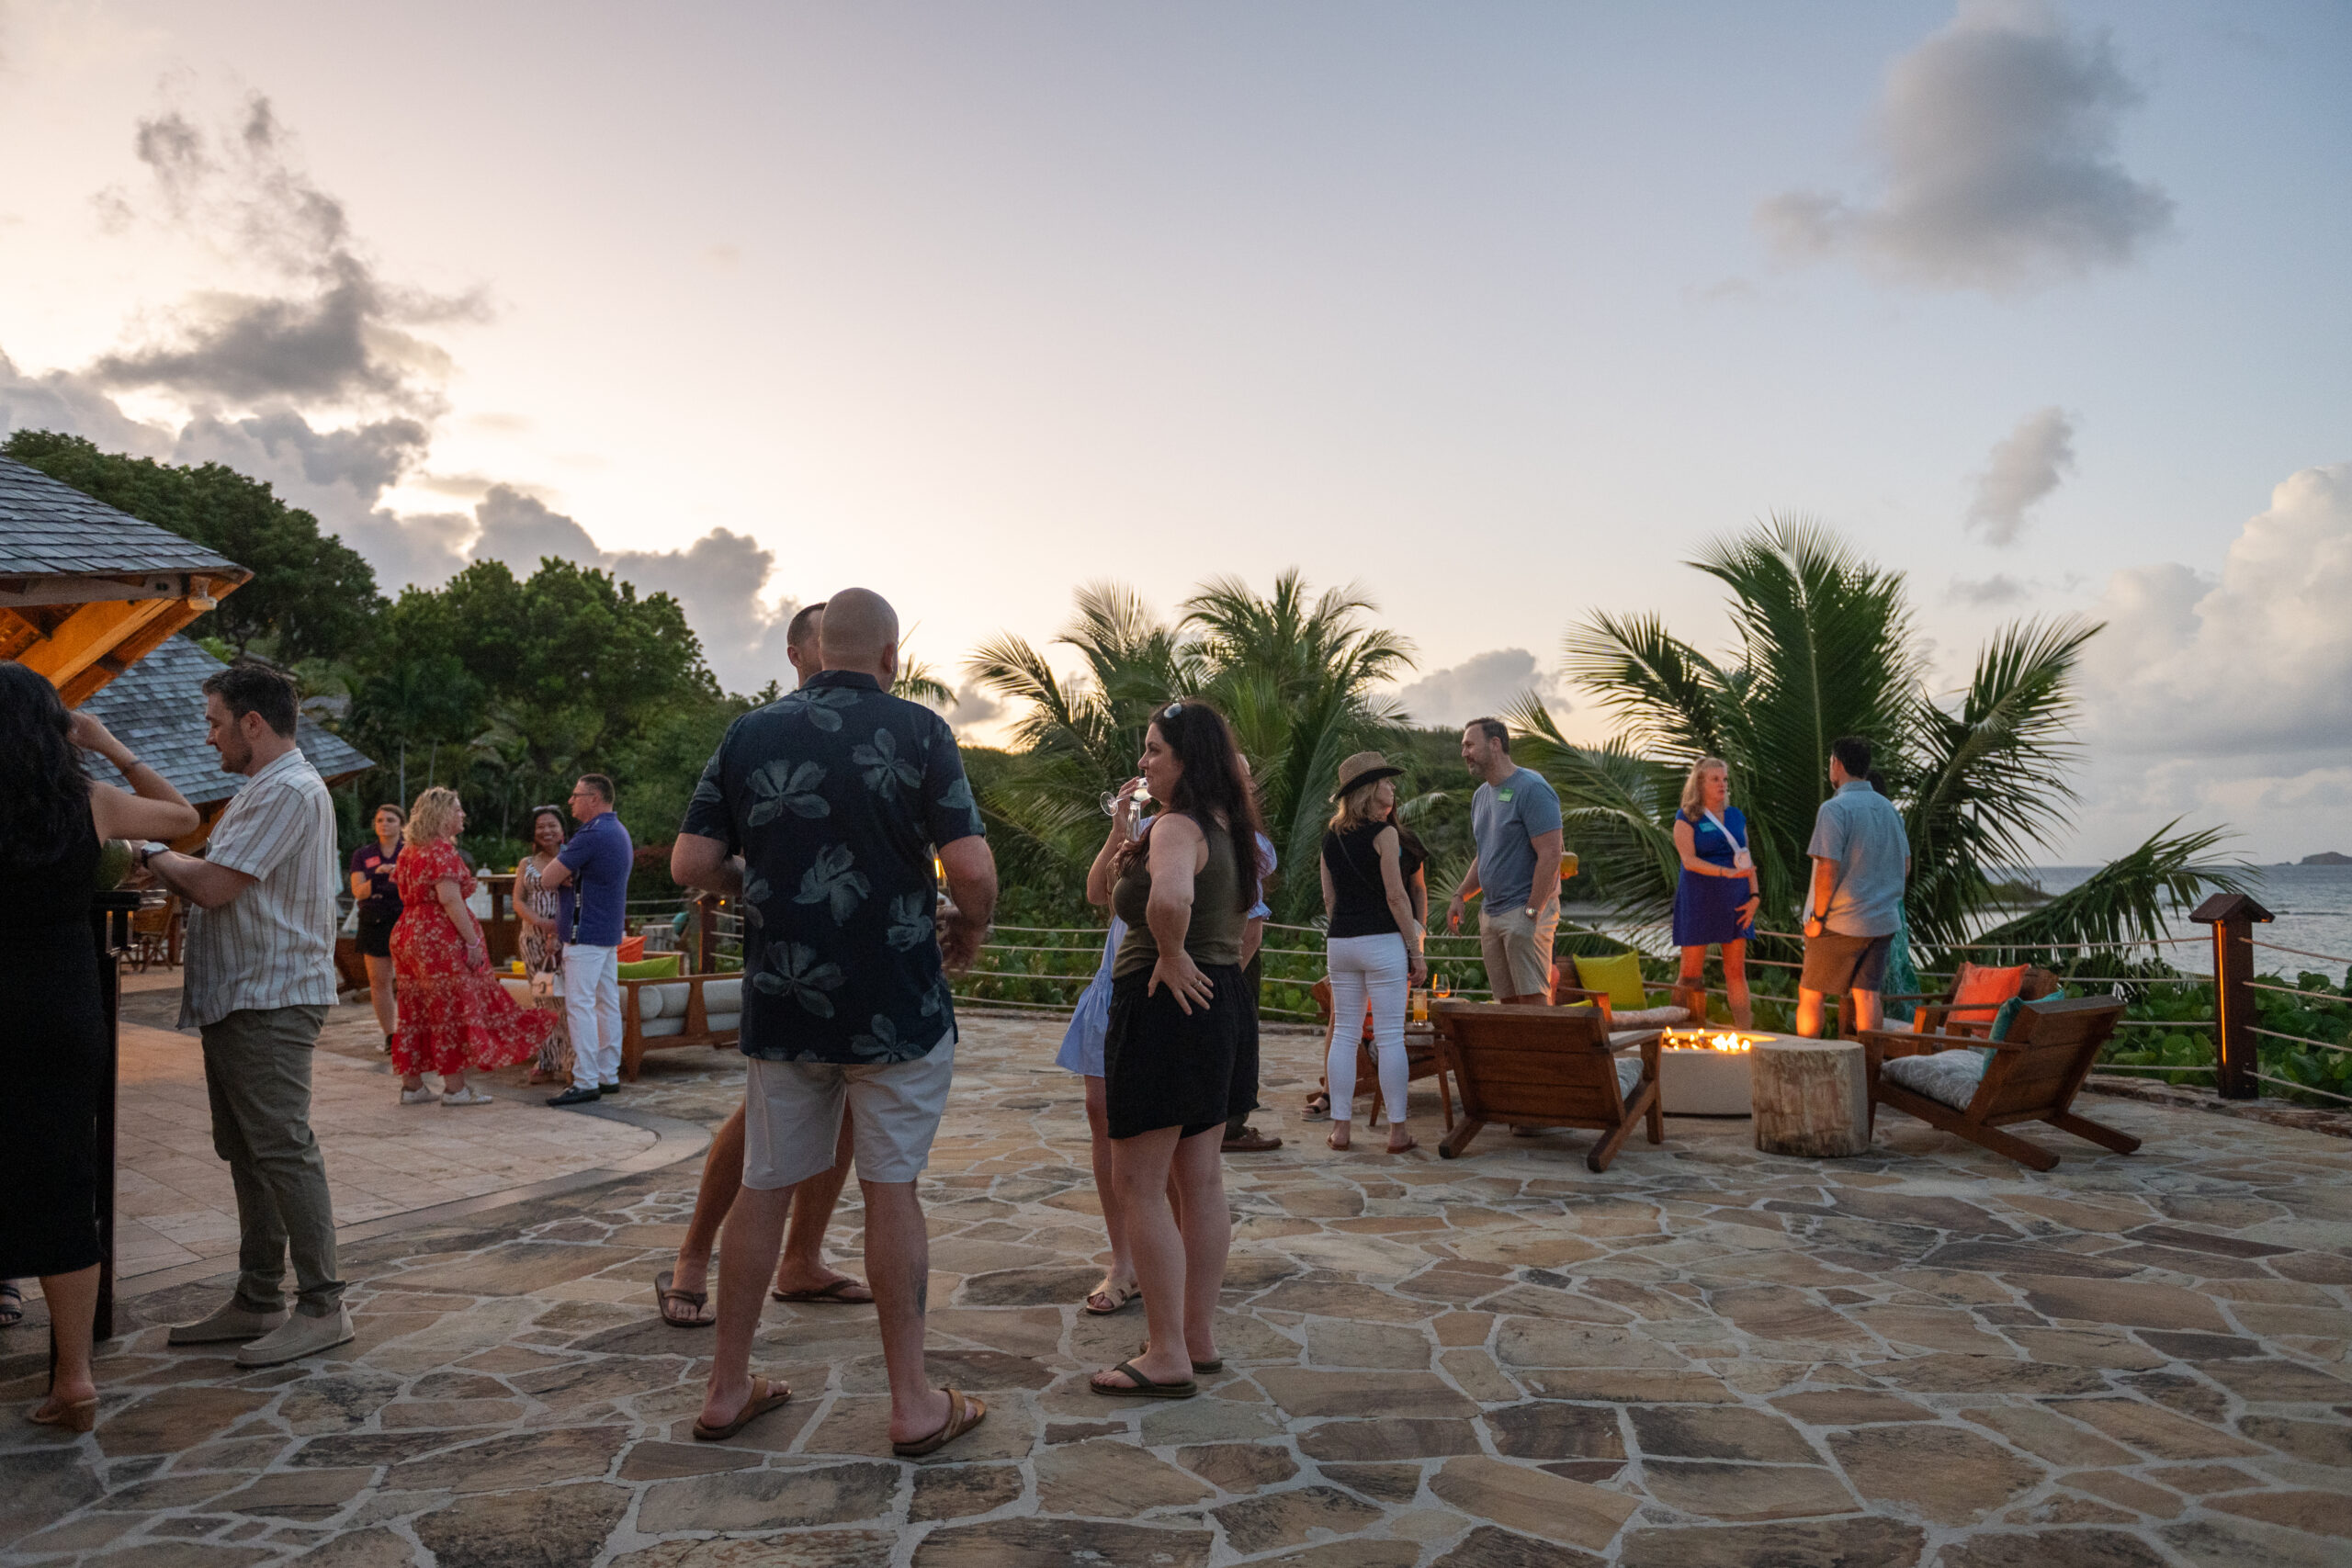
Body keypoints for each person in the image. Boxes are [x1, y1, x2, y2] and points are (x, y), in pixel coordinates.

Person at [677, 587, 998, 1456]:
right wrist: (969, 927)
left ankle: (726, 1388)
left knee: (767, 1183)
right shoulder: (921, 732)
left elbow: (691, 862)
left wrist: (761, 887)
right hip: (896, 1000)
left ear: (818, 649)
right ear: (891, 657)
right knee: (891, 1188)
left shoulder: (751, 733)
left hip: (785, 1000)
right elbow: (970, 867)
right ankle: (912, 1405)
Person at [654, 602, 869, 1329]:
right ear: (798, 654)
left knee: (840, 1110)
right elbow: (692, 860)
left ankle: (802, 1259)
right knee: (761, 1120)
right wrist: (767, 884)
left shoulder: (883, 733)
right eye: (827, 647)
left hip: (856, 965)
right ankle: (692, 1256)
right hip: (803, 965)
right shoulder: (759, 735)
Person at [0, 663, 198, 1430]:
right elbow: (181, 816)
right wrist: (107, 741)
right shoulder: (90, 802)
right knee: (61, 1174)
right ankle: (74, 1376)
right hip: (61, 1000)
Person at [138, 661, 354, 1367]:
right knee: (252, 1150)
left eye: (214, 721)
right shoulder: (269, 788)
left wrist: (150, 851)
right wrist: (171, 861)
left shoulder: (286, 789)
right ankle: (259, 1295)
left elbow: (215, 886)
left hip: (270, 996)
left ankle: (324, 1306)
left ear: (251, 723)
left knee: (283, 1147)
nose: (209, 738)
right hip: (245, 995)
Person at [1090, 699, 1263, 1401]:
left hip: (1167, 1006)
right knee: (1201, 1179)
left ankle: (1164, 1353)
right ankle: (1196, 1335)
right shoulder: (1226, 827)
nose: (1143, 760)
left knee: (1138, 1182)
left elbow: (1169, 900)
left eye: (1154, 748)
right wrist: (1119, 833)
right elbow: (1108, 892)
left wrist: (1166, 950)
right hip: (1219, 1002)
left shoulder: (1177, 827)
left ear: (1187, 758)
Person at [389, 787, 553, 1104]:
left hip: (408, 933)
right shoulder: (440, 851)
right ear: (441, 815)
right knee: (449, 1008)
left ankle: (413, 1086)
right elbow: (450, 900)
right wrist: (473, 941)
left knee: (416, 1008)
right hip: (438, 937)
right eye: (458, 810)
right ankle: (454, 1088)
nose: (463, 815)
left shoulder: (410, 850)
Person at [1320, 752, 1429, 1154]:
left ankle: (1341, 1130)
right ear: (1369, 790)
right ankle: (1397, 1132)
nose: (1393, 787)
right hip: (1382, 941)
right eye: (1386, 781)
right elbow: (1397, 896)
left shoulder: (1330, 836)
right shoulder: (1385, 835)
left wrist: (1348, 926)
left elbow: (1329, 897)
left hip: (1341, 942)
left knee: (1345, 1035)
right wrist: (1415, 951)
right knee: (1390, 1037)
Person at [1795, 736, 1911, 1038]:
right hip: (1883, 921)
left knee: (1812, 993)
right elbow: (1906, 865)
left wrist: (1818, 919)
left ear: (1838, 764)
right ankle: (1868, 1067)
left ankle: (1805, 1061)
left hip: (1842, 920)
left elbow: (1827, 869)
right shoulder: (1889, 810)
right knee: (1867, 995)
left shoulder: (1835, 809)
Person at [1445, 717, 1564, 1004]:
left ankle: (1540, 1051)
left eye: (1470, 745)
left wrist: (1532, 913)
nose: (1464, 753)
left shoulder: (1532, 788)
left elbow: (1550, 855)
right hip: (1492, 915)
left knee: (1534, 1003)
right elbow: (1487, 854)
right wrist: (1461, 894)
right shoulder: (1481, 796)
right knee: (1507, 1005)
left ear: (1495, 744)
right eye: (1463, 746)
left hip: (1524, 911)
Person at [539, 772, 635, 1106]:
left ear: (594, 799)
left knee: (580, 1005)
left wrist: (566, 874)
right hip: (607, 932)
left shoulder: (591, 834)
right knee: (605, 1003)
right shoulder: (618, 831)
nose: (571, 801)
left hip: (585, 933)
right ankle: (607, 1074)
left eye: (576, 795)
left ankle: (585, 1079)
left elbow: (547, 878)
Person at [1671, 758, 1761, 1029]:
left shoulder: (1735, 816)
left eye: (1725, 779)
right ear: (1700, 783)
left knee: (1736, 972)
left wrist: (1755, 897)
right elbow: (1689, 860)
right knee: (1690, 973)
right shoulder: (1687, 817)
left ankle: (1746, 1035)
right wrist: (1725, 873)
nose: (1722, 784)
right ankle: (1676, 1031)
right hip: (1699, 899)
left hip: (1736, 899)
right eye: (1715, 779)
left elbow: (1745, 857)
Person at [514, 806, 574, 1087]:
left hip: (565, 941)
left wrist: (556, 930)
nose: (546, 831)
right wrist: (541, 923)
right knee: (543, 999)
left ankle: (571, 1061)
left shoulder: (572, 859)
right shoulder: (527, 863)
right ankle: (547, 1060)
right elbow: (518, 901)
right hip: (534, 943)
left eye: (552, 825)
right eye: (540, 826)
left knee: (566, 1000)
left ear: (563, 830)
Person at [346, 804, 405, 1049]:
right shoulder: (363, 854)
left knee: (409, 980)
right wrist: (379, 876)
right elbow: (359, 892)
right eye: (380, 820)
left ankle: (410, 1033)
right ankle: (391, 1035)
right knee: (378, 979)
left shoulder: (409, 851)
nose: (384, 824)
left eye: (390, 820)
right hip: (374, 918)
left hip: (404, 917)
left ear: (401, 824)